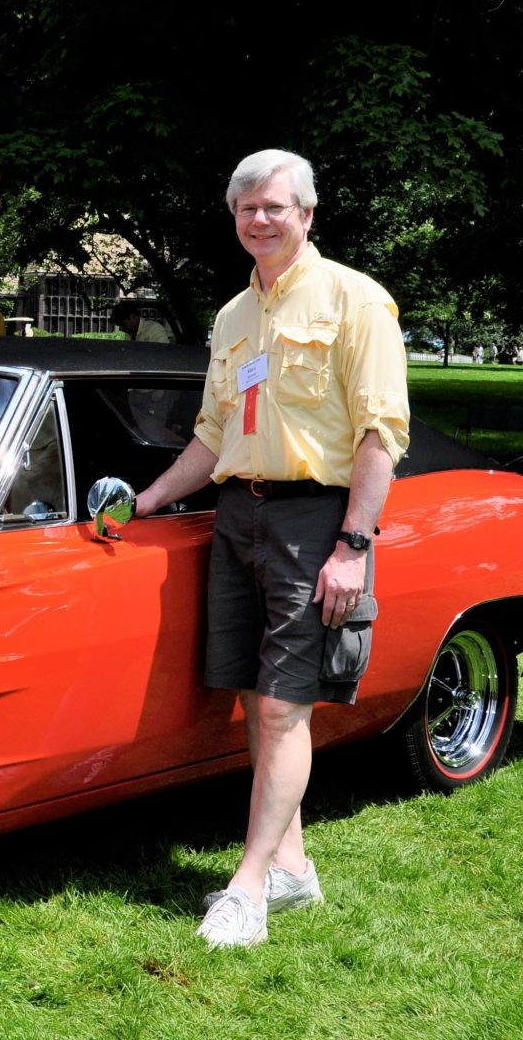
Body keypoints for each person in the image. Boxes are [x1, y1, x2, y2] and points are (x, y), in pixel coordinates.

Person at [127, 149, 409, 950]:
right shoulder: (232, 317)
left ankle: (246, 889)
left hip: (317, 520)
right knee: (256, 698)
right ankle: (293, 868)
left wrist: (353, 543)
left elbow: (380, 431)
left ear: (307, 214)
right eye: (246, 208)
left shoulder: (356, 301)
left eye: (275, 207)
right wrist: (147, 499)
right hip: (237, 516)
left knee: (286, 704)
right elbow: (214, 434)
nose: (260, 219)